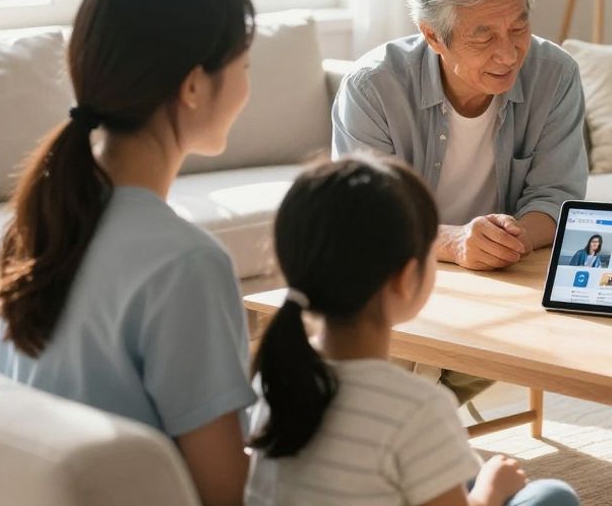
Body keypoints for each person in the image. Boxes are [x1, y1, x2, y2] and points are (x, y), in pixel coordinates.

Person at [0, 0, 258, 506]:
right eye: (245, 67)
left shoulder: (39, 222)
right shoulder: (186, 263)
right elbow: (225, 494)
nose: (247, 89)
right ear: (193, 86)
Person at [332, 0, 588, 404]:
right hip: (403, 264)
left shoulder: (555, 75)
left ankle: (417, 416)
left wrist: (506, 240)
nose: (508, 53)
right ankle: (420, 416)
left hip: (503, 273)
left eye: (518, 28)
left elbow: (558, 196)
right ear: (433, 35)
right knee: (377, 338)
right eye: (483, 35)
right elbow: (367, 222)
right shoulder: (373, 88)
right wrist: (455, 243)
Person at [245, 154, 579, 506]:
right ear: (404, 279)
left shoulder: (276, 377)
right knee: (552, 497)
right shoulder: (417, 408)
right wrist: (490, 491)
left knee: (453, 472)